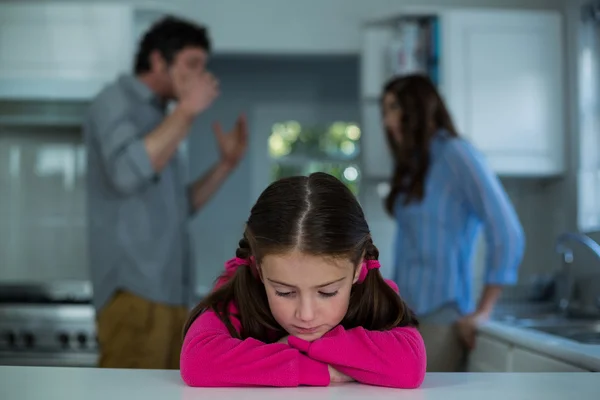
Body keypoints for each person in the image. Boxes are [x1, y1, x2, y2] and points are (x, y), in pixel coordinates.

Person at [83, 16, 248, 369]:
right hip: (134, 294)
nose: (201, 77)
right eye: (192, 64)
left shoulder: (164, 116)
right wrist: (187, 110)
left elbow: (180, 207)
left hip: (172, 296)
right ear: (159, 61)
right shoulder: (114, 101)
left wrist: (225, 166)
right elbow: (126, 174)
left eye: (203, 67)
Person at [180, 172, 426, 388]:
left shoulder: (375, 292)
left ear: (358, 269)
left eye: (328, 292)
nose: (306, 315)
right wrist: (320, 370)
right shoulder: (239, 287)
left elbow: (410, 366)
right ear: (258, 269)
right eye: (284, 292)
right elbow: (197, 361)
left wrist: (294, 346)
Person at [380, 74, 525, 372]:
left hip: (442, 321)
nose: (387, 121)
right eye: (384, 111)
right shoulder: (414, 167)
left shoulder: (457, 154)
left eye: (394, 108)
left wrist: (484, 310)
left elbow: (507, 230)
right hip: (405, 320)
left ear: (417, 108)